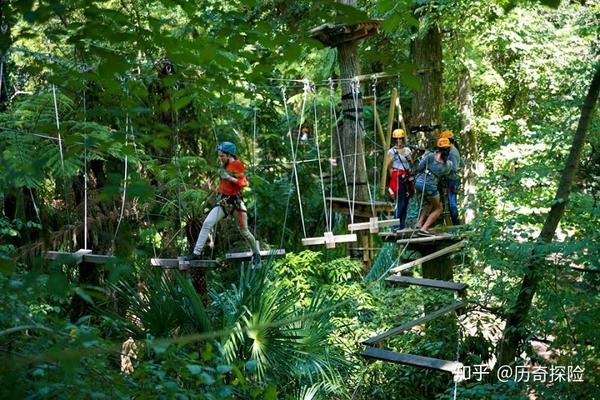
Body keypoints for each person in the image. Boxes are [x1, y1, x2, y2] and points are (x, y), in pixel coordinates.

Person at [184, 141, 261, 267]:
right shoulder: (224, 165)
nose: (220, 158)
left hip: (235, 203)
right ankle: (196, 253)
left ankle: (256, 253)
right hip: (224, 203)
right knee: (207, 223)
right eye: (219, 156)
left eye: (222, 156)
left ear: (229, 154)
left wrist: (229, 178)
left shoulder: (237, 164)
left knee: (244, 231)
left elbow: (244, 183)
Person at [413, 137, 456, 235]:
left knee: (430, 203)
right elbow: (446, 173)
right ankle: (424, 228)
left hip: (419, 183)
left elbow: (419, 167)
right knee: (439, 208)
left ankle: (419, 224)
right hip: (430, 186)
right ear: (448, 149)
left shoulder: (430, 156)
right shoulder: (448, 164)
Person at [386, 128, 413, 232]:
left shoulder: (407, 150)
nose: (398, 141)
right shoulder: (391, 151)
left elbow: (411, 163)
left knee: (406, 201)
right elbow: (389, 167)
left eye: (400, 139)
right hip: (397, 176)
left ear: (403, 139)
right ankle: (395, 224)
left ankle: (402, 225)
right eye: (396, 139)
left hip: (407, 175)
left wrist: (409, 158)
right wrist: (393, 181)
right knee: (400, 201)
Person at [440, 130, 463, 226]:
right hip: (453, 179)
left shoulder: (452, 152)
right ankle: (455, 225)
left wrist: (443, 166)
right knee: (451, 203)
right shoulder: (454, 150)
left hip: (452, 179)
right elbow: (462, 163)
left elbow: (453, 168)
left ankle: (456, 226)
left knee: (452, 204)